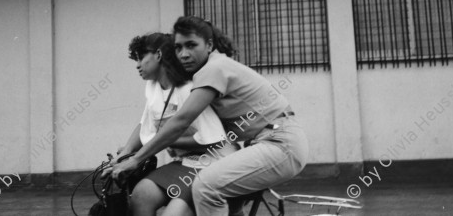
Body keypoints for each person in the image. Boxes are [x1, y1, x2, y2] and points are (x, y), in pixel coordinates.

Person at [112, 17, 309, 216]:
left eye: (191, 45)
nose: (184, 54)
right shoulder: (203, 71)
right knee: (205, 188)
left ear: (209, 45)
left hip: (280, 142)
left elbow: (181, 120)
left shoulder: (212, 70)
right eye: (178, 48)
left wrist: (136, 159)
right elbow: (152, 119)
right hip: (264, 142)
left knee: (205, 186)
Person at [107, 32, 237, 216]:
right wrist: (124, 156)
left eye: (141, 57)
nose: (137, 65)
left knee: (173, 214)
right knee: (141, 195)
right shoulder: (152, 87)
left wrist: (164, 140)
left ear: (158, 55)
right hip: (184, 163)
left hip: (212, 163)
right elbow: (145, 125)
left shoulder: (188, 88)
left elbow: (214, 140)